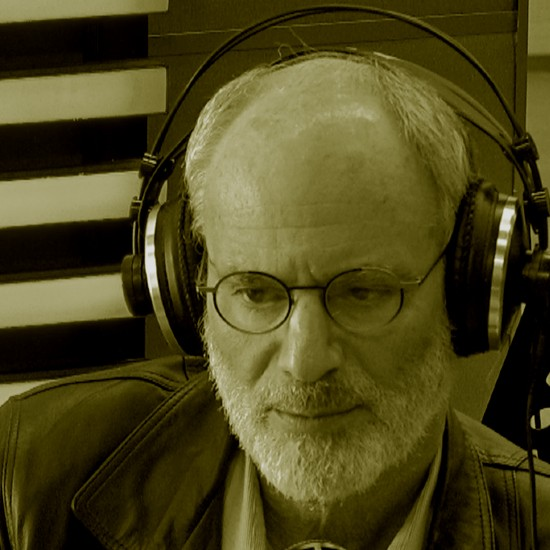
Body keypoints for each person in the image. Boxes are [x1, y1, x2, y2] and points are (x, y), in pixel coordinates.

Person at [0, 51, 549, 550]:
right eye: (255, 293)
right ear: (188, 291)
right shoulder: (27, 479)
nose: (304, 362)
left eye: (362, 292)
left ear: (468, 289)